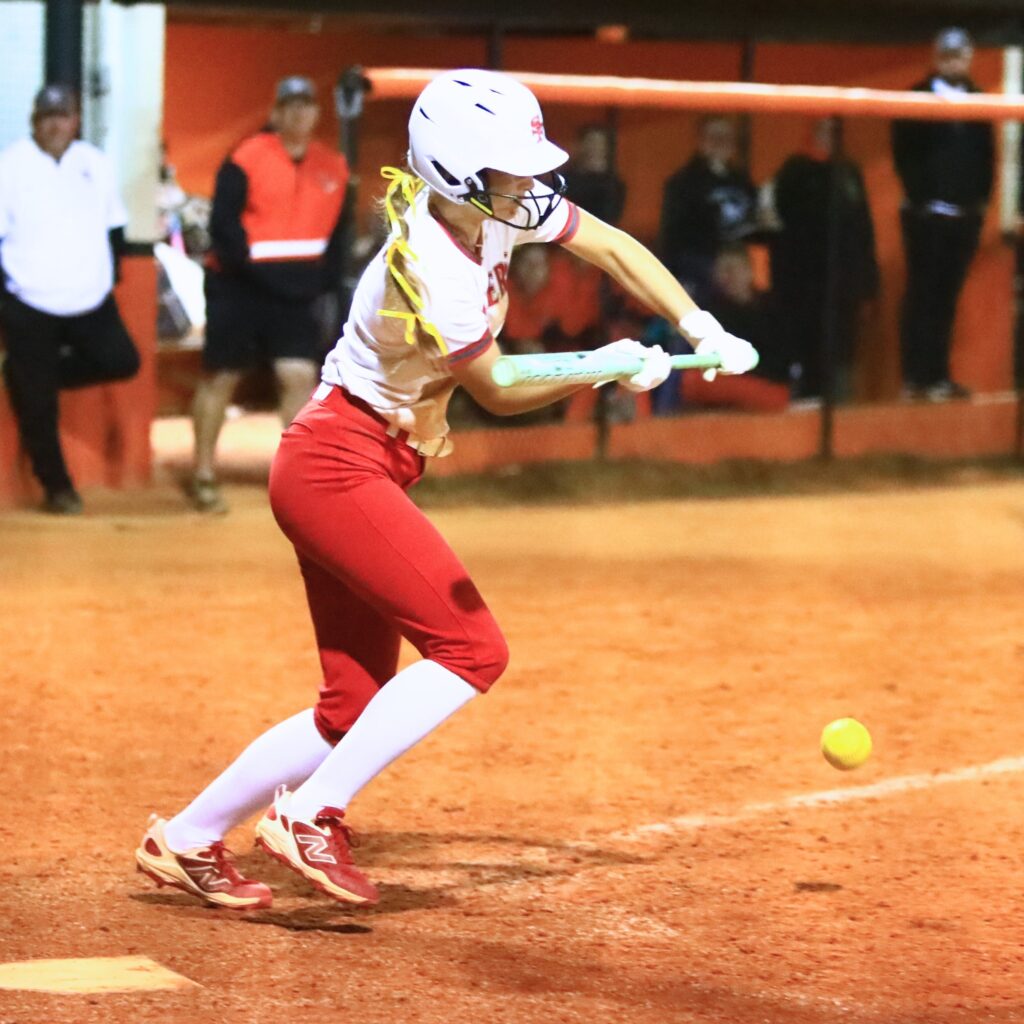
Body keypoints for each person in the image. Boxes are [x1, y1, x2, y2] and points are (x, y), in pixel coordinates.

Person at [134, 68, 758, 910]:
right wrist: (599, 367)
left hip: (359, 460)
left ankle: (187, 838)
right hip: (337, 463)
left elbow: (611, 246)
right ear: (459, 171)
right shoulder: (427, 261)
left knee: (348, 708)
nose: (531, 180)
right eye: (511, 164)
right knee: (473, 650)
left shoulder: (499, 206)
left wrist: (698, 325)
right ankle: (311, 815)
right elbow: (497, 388)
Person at [187, 75, 349, 513]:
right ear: (276, 113)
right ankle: (202, 473)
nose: (299, 113)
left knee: (298, 376)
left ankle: (297, 479)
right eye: (290, 105)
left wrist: (322, 283)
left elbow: (338, 236)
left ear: (316, 114)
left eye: (306, 105)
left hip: (296, 291)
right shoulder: (245, 159)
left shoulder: (332, 165)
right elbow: (224, 228)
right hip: (238, 287)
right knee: (221, 376)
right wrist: (254, 275)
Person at [0, 84, 139, 515]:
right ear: (34, 121)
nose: (55, 124)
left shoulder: (95, 164)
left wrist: (110, 274)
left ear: (76, 120)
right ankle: (57, 486)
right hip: (29, 298)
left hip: (90, 297)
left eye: (63, 116)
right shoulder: (9, 166)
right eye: (47, 116)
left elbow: (115, 226)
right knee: (39, 408)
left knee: (122, 360)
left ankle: (29, 377)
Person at [892, 27, 994, 401]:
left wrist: (979, 204)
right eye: (948, 55)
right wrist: (922, 200)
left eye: (961, 55)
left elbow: (987, 158)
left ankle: (938, 375)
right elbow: (904, 155)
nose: (954, 62)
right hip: (927, 216)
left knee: (946, 299)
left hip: (964, 217)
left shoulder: (980, 100)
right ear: (937, 58)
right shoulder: (915, 99)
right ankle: (915, 378)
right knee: (922, 296)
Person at [763, 117, 879, 400]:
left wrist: (868, 282)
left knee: (841, 350)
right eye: (824, 130)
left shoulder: (848, 172)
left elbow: (863, 229)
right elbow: (779, 230)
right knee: (808, 347)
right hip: (804, 285)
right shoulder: (794, 172)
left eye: (834, 131)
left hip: (843, 283)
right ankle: (808, 402)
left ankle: (839, 409)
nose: (829, 137)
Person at [658, 114, 759, 302]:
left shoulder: (741, 181)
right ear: (701, 140)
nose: (721, 143)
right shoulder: (683, 182)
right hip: (698, 269)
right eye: (714, 137)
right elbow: (671, 233)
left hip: (737, 267)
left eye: (726, 137)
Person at [562, 124, 626, 225]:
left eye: (601, 145)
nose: (595, 149)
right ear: (581, 146)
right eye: (591, 143)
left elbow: (611, 217)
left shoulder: (613, 185)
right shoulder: (563, 181)